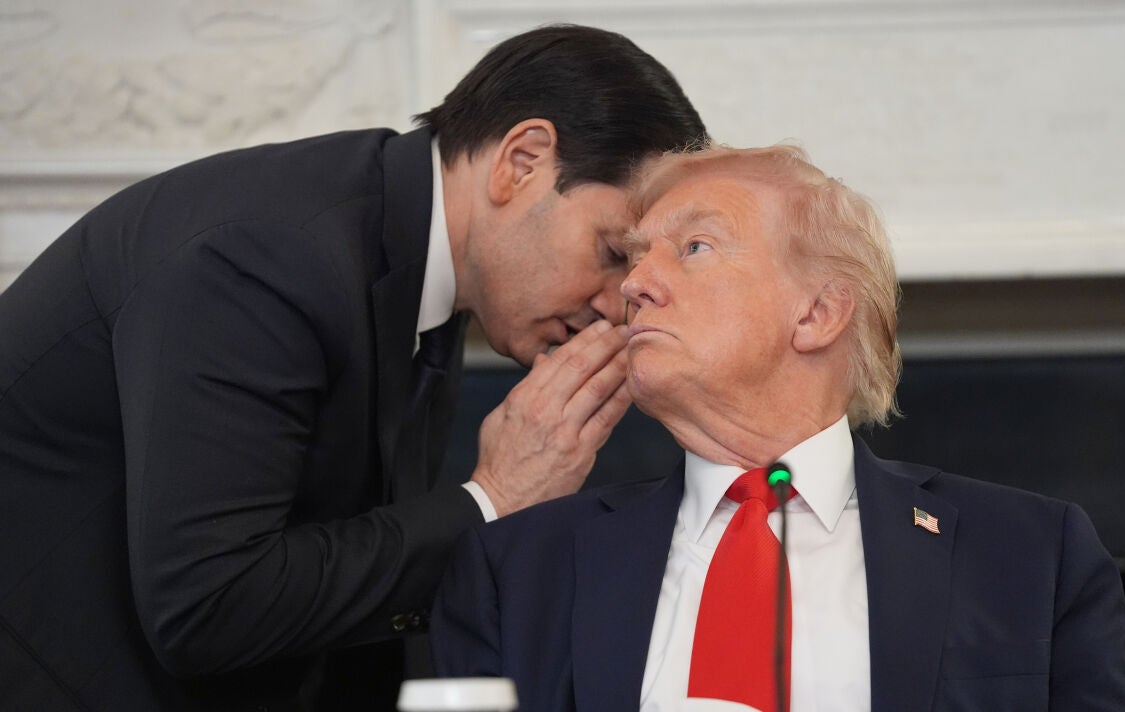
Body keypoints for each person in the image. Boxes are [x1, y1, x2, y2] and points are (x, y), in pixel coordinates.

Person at [0, 24, 706, 711]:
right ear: (521, 162)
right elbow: (208, 606)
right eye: (611, 253)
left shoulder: (424, 263)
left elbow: (343, 585)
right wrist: (494, 496)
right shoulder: (262, 256)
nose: (616, 307)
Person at [430, 144, 1125, 711]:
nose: (634, 285)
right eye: (637, 257)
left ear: (817, 314)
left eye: (694, 247)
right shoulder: (518, 568)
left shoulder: (1030, 555)